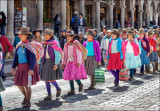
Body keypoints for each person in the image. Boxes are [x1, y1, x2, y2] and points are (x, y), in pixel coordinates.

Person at [11, 27, 44, 108]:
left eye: (21, 35)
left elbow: (33, 58)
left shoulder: (30, 46)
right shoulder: (19, 45)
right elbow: (16, 57)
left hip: (28, 67)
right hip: (20, 67)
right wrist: (13, 67)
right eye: (19, 35)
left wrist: (31, 69)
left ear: (26, 35)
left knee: (27, 85)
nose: (19, 36)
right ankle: (26, 96)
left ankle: (28, 101)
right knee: (19, 84)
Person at [61, 30, 87, 95]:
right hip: (69, 62)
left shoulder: (76, 43)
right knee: (70, 76)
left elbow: (79, 53)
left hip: (75, 62)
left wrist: (79, 61)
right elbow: (65, 54)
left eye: (69, 36)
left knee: (74, 76)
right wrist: (63, 63)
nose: (68, 38)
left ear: (72, 36)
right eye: (67, 37)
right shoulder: (66, 45)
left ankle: (80, 84)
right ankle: (72, 90)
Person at [41, 28, 63, 100]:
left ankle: (58, 88)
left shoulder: (54, 43)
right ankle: (49, 95)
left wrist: (56, 64)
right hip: (45, 62)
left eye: (47, 35)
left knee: (50, 79)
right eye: (45, 35)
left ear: (50, 36)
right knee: (46, 79)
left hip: (52, 62)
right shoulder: (44, 44)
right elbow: (42, 54)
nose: (45, 36)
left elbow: (58, 54)